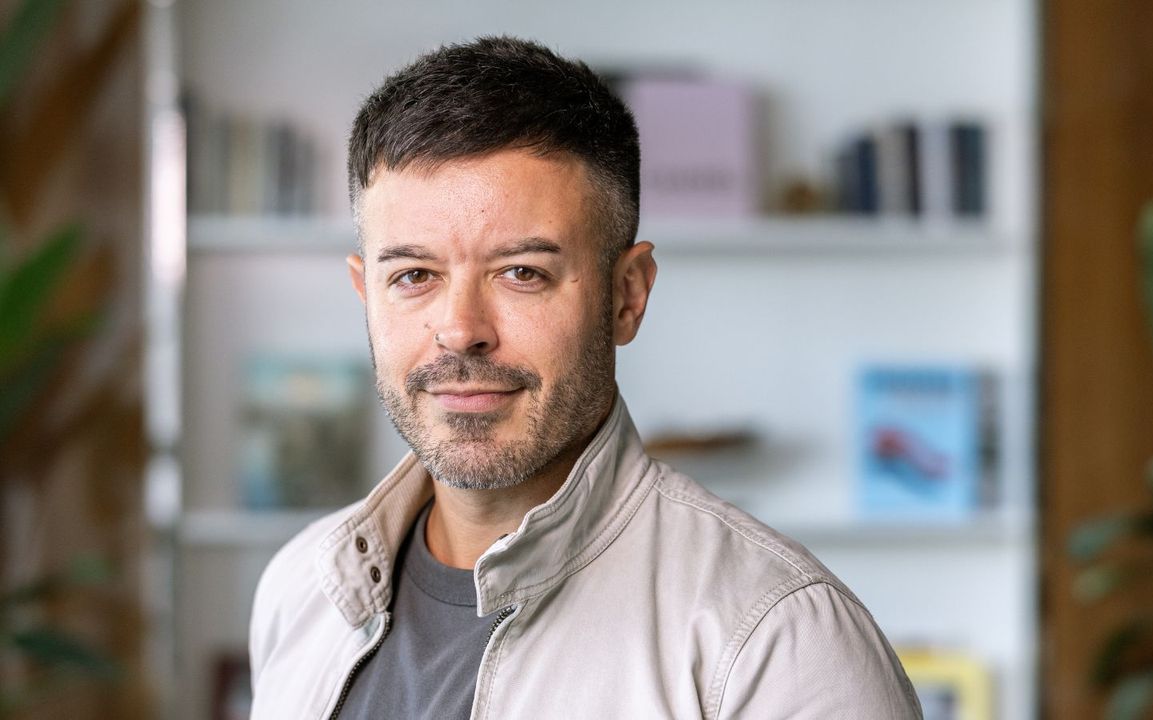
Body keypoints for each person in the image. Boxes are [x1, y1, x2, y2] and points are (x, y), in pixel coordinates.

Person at [248, 36, 921, 719]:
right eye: (414, 276)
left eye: (522, 273)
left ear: (627, 295)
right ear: (367, 294)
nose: (460, 329)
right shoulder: (301, 590)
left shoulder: (776, 642)